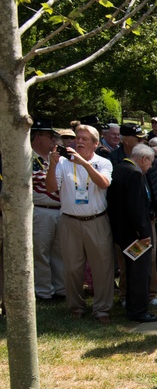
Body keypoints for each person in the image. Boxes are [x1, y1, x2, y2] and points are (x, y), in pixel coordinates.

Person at [45, 124, 114, 323]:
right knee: (72, 268)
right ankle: (76, 307)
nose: (79, 142)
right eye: (78, 138)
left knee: (102, 267)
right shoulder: (64, 163)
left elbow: (104, 183)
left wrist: (84, 163)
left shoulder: (104, 163)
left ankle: (102, 309)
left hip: (96, 221)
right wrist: (52, 164)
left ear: (95, 143)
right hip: (69, 221)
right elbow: (51, 188)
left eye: (85, 139)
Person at [106, 144, 157, 323]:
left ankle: (131, 305)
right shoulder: (135, 173)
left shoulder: (119, 169)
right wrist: (144, 232)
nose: (150, 167)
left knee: (129, 270)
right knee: (140, 272)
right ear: (144, 159)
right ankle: (139, 311)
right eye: (150, 163)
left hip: (122, 232)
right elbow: (137, 207)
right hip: (136, 235)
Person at [30, 118, 65, 301]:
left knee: (59, 252)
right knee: (41, 253)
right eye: (48, 135)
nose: (53, 139)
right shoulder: (27, 158)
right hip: (41, 210)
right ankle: (44, 291)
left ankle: (60, 288)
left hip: (59, 209)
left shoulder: (55, 159)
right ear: (37, 137)